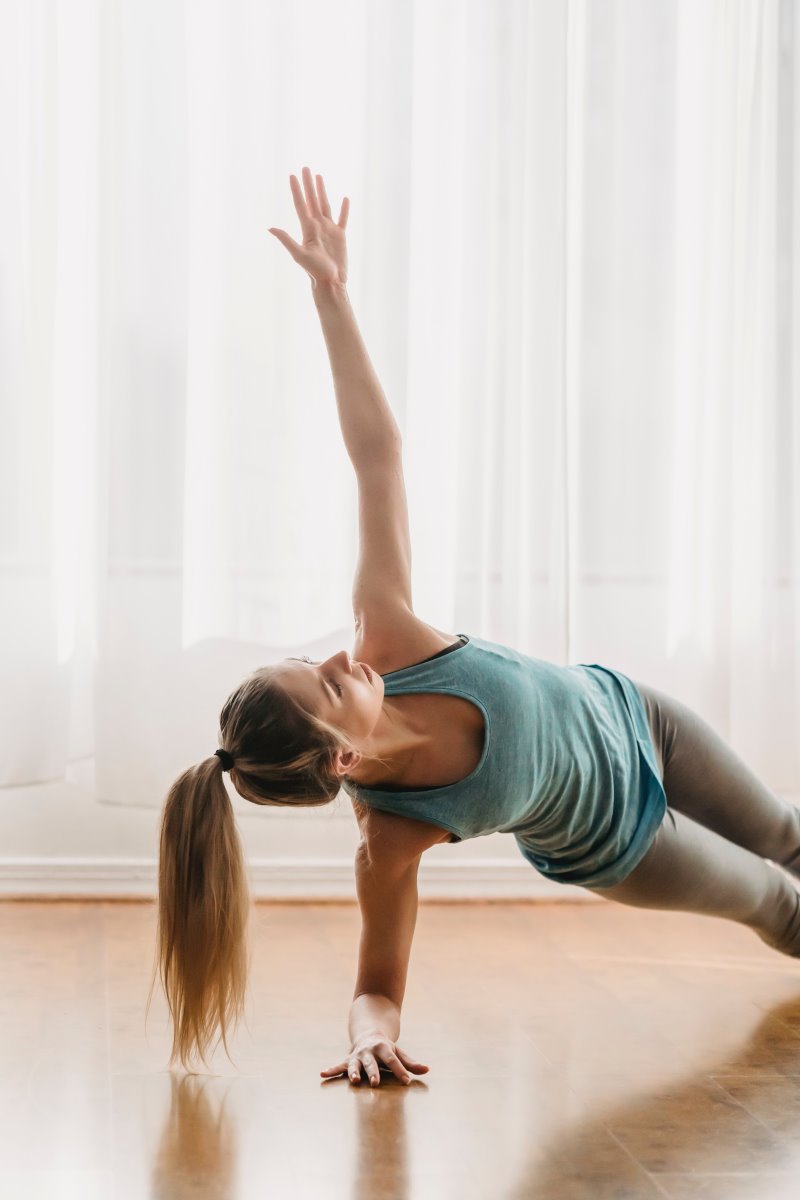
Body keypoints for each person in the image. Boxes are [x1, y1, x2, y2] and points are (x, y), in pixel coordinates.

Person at [149, 166, 800, 1086]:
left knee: (785, 830)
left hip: (632, 713)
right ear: (342, 761)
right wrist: (367, 1034)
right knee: (777, 901)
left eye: (311, 659)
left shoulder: (389, 636)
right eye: (329, 683)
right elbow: (378, 983)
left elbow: (378, 454)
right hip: (624, 841)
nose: (340, 654)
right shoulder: (393, 837)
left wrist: (332, 296)